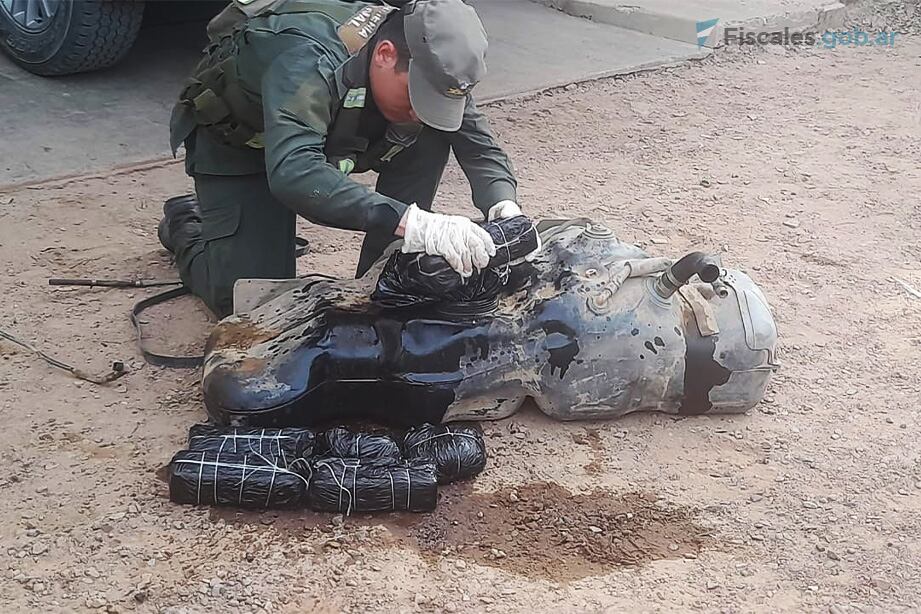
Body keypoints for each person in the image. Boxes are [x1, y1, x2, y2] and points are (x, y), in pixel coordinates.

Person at [162, 0, 524, 318]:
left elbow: (480, 146)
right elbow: (295, 173)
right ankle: (187, 226)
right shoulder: (308, 57)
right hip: (245, 146)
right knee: (250, 302)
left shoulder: (438, 65)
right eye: (416, 96)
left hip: (328, 135)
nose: (421, 109)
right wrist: (416, 223)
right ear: (385, 55)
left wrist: (505, 207)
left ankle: (383, 276)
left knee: (430, 132)